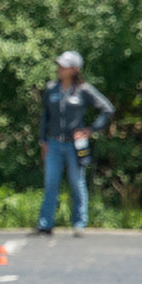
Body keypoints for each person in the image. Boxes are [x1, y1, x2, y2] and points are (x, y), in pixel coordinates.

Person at [34, 50, 113, 236]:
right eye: (59, 65)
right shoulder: (51, 88)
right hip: (53, 143)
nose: (59, 69)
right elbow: (45, 116)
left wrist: (91, 129)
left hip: (75, 145)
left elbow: (107, 109)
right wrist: (42, 141)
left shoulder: (84, 90)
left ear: (74, 69)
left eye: (63, 66)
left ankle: (79, 223)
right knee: (50, 182)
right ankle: (45, 223)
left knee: (77, 182)